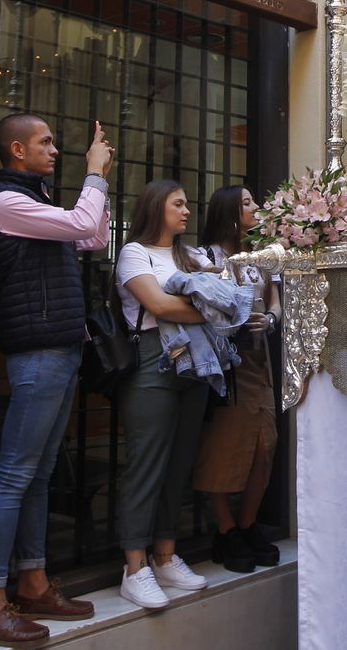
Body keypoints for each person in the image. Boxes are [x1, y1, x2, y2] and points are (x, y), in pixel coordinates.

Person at [0, 113, 113, 645]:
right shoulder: (7, 202)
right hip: (38, 354)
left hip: (60, 349)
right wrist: (93, 176)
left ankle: (31, 582)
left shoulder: (40, 203)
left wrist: (98, 183)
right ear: (16, 151)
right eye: (45, 142)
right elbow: (81, 225)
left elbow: (92, 236)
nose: (55, 149)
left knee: (39, 471)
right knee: (14, 474)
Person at [113, 180, 212, 610]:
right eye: (178, 204)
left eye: (186, 204)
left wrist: (214, 304)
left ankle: (166, 555)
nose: (186, 211)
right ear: (156, 207)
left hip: (196, 360)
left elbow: (233, 295)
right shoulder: (134, 252)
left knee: (179, 462)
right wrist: (209, 308)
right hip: (153, 359)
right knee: (147, 461)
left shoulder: (190, 256)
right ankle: (135, 568)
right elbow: (157, 305)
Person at [192, 186, 281, 573]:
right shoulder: (206, 257)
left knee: (265, 442)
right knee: (225, 445)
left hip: (260, 359)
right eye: (246, 203)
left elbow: (275, 300)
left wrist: (272, 320)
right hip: (226, 362)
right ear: (228, 212)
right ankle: (225, 529)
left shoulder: (262, 257)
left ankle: (246, 524)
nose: (255, 208)